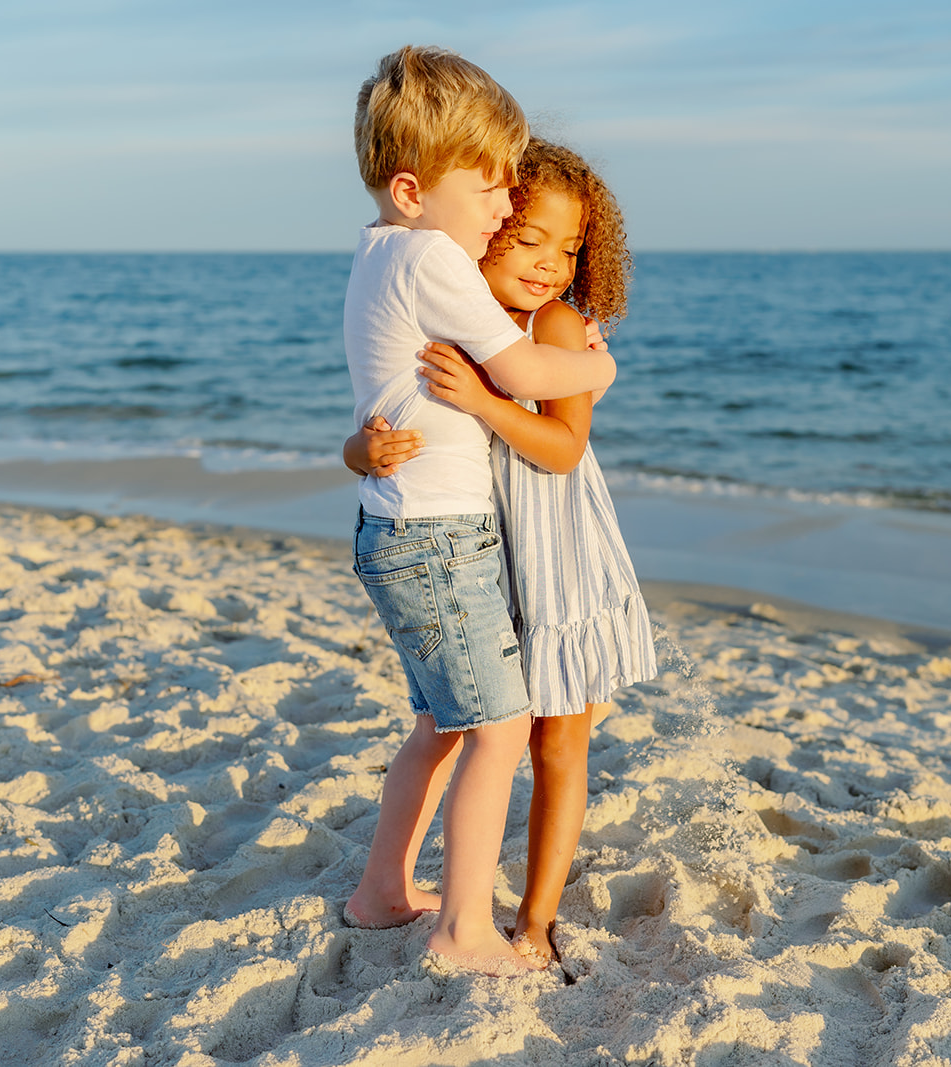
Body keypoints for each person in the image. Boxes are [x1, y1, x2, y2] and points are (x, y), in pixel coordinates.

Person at [340, 47, 617, 976]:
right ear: (416, 190)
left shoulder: (379, 255)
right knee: (499, 729)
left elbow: (376, 412)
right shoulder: (431, 257)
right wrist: (602, 366)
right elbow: (528, 373)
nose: (504, 211)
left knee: (444, 727)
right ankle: (463, 929)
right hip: (439, 535)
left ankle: (383, 891)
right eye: (493, 192)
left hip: (398, 527)